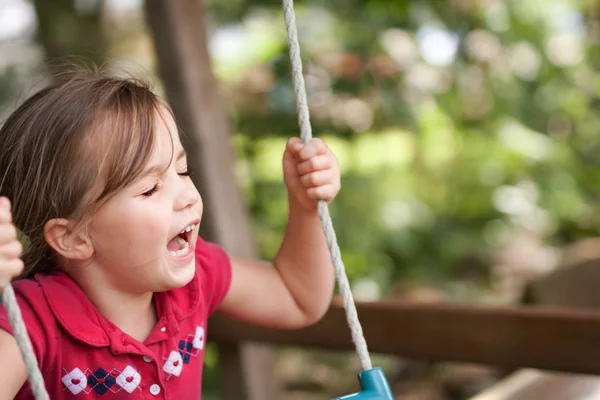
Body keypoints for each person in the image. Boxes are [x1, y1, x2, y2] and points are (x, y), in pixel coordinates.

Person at [0, 70, 339, 398]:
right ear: (73, 238)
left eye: (182, 169)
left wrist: (306, 209)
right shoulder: (30, 324)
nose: (189, 195)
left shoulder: (194, 281)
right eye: (150, 188)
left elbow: (296, 297)